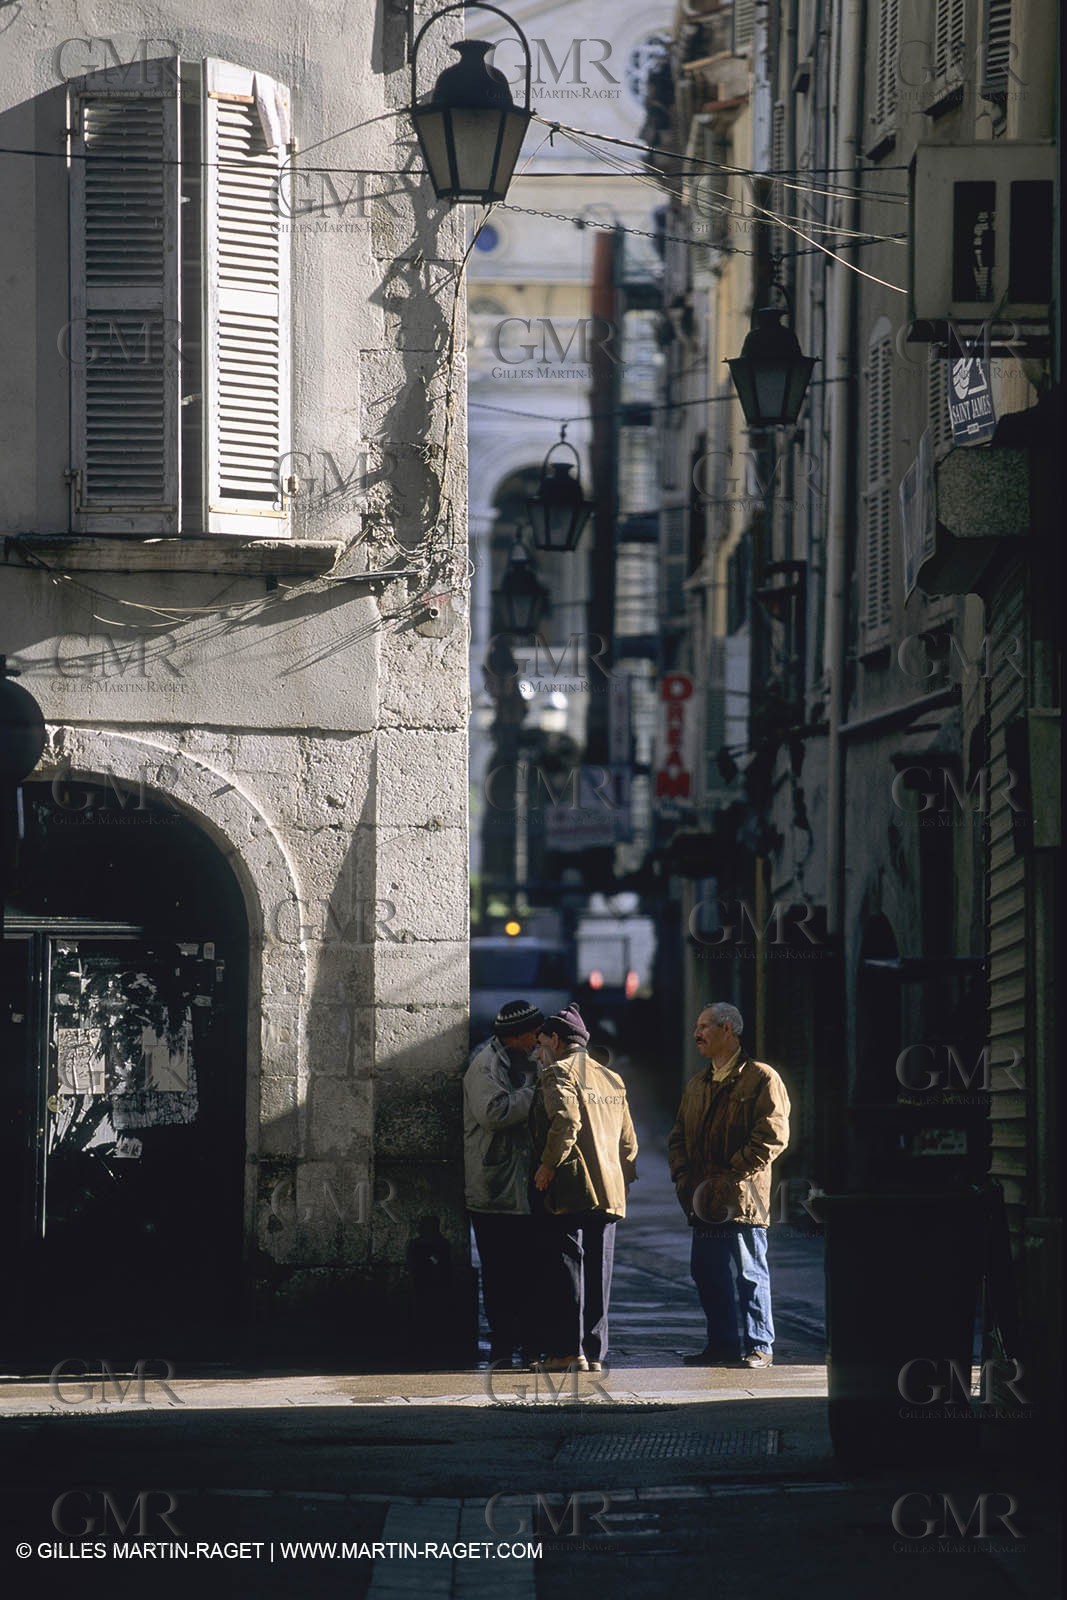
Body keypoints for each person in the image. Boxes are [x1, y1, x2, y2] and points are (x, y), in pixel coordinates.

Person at [668, 1002, 791, 1369]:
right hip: (703, 1199)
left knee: (750, 1273)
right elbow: (678, 1136)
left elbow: (772, 1136)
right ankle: (721, 1344)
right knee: (707, 1272)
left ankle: (760, 1345)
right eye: (696, 1026)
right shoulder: (697, 1084)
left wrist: (732, 1172)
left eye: (705, 1026)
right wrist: (683, 1176)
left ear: (728, 1030)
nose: (697, 1034)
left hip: (743, 1197)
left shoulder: (761, 1077)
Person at [530, 1002, 638, 1372]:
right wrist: (623, 1178)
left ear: (556, 1040)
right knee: (598, 1272)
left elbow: (566, 1122)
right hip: (609, 1192)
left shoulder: (558, 1073)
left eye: (540, 1043)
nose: (537, 1053)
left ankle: (566, 1351)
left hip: (573, 1189)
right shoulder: (611, 1078)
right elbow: (628, 1143)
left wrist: (547, 1165)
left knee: (567, 1270)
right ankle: (593, 1353)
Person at [463, 999, 544, 1366]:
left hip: (523, 1188)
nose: (538, 1040)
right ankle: (503, 1345)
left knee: (529, 1271)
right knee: (500, 1273)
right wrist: (539, 1091)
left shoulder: (526, 1061)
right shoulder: (485, 1066)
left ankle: (529, 1342)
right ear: (515, 1035)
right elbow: (493, 1112)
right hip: (495, 1189)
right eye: (534, 1033)